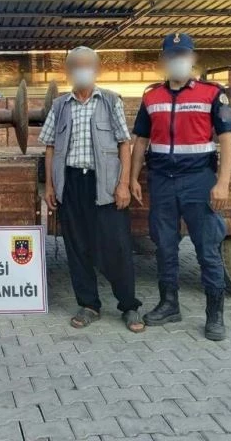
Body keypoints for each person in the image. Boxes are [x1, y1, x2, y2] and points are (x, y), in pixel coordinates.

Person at [130, 33, 231, 341]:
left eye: (183, 55)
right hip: (161, 181)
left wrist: (223, 183)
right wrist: (134, 177)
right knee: (164, 246)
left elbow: (227, 141)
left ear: (192, 58)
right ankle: (169, 304)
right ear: (163, 60)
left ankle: (215, 315)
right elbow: (140, 141)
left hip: (198, 182)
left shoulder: (212, 94)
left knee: (207, 249)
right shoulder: (151, 97)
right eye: (172, 55)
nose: (178, 60)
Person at [39, 46, 144, 332]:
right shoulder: (60, 106)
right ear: (68, 71)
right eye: (76, 66)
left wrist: (122, 184)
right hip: (72, 185)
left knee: (116, 248)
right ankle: (88, 304)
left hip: (106, 185)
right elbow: (49, 146)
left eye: (88, 65)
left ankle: (129, 306)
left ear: (97, 70)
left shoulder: (111, 101)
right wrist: (50, 186)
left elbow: (125, 143)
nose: (82, 70)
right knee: (77, 248)